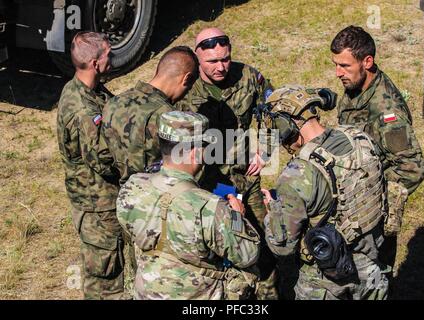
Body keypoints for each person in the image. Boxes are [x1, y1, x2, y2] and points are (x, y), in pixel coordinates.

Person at [177, 27, 277, 299]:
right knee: (215, 252)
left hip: (245, 177)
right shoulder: (185, 87)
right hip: (207, 185)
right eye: (212, 61)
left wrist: (265, 152)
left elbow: (275, 111)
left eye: (225, 59)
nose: (221, 67)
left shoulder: (248, 77)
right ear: (197, 58)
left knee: (263, 247)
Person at [116, 111, 260, 300]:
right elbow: (248, 254)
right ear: (197, 152)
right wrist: (236, 216)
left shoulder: (133, 186)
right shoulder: (210, 207)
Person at [262, 85, 389, 300]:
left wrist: (273, 211)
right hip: (372, 267)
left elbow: (282, 245)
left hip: (324, 280)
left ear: (285, 125)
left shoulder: (297, 174)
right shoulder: (359, 137)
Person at [330, 25, 424, 272]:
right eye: (336, 65)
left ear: (368, 62)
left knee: (372, 278)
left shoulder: (386, 111)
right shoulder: (358, 86)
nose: (338, 73)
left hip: (372, 216)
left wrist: (373, 198)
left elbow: (411, 168)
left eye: (345, 66)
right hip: (353, 202)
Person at [56, 32, 125, 299]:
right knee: (106, 281)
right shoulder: (83, 110)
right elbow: (104, 161)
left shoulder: (83, 88)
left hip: (97, 201)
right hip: (98, 206)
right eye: (109, 55)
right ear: (95, 63)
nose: (114, 59)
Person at [102, 46, 199, 185]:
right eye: (188, 88)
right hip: (157, 200)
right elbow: (186, 172)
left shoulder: (113, 103)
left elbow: (103, 157)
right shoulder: (170, 118)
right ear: (186, 78)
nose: (186, 93)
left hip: (124, 196)